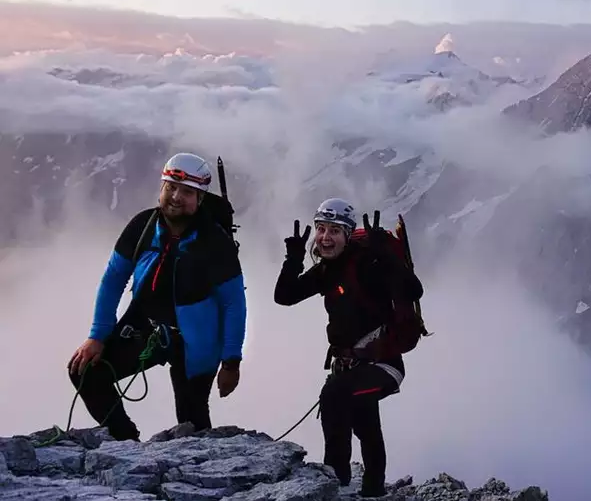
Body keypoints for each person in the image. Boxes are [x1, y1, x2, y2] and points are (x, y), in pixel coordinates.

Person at [67, 152, 247, 442]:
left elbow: (233, 303)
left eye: (187, 192)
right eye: (170, 188)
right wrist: (98, 336)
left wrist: (230, 363)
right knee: (86, 371)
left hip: (197, 340)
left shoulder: (215, 243)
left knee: (192, 423)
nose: (176, 197)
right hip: (146, 325)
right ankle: (126, 443)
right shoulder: (143, 226)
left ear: (200, 199)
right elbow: (113, 279)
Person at [273, 198, 424, 497]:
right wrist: (293, 258)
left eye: (335, 231)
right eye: (321, 229)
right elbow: (285, 296)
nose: (326, 238)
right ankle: (373, 490)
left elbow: (413, 289)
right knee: (365, 423)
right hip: (350, 366)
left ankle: (337, 481)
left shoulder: (368, 265)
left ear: (348, 234)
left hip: (384, 364)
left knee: (334, 398)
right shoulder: (327, 270)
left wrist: (386, 258)